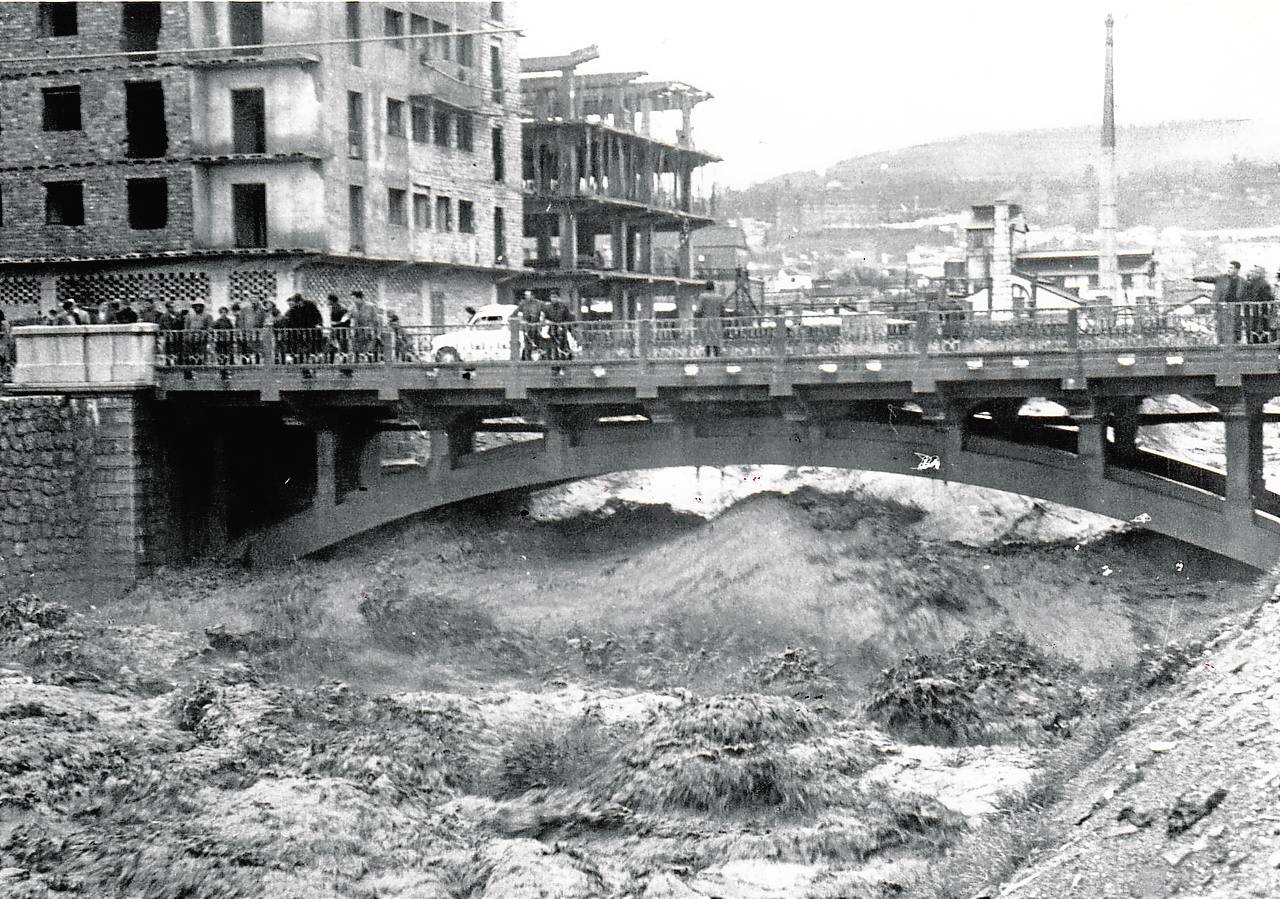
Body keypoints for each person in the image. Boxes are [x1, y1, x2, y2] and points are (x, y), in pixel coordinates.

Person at [1240, 265, 1276, 343]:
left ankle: (1259, 342)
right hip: (1253, 311)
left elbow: (1267, 298)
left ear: (1259, 274)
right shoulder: (1251, 283)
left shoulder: (1264, 284)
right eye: (1252, 271)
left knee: (1259, 328)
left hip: (1259, 312)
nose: (1252, 273)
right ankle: (1253, 341)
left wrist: (1264, 312)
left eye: (1254, 272)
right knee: (1252, 327)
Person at [349, 290, 380, 360]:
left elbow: (376, 320)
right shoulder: (352, 307)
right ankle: (357, 359)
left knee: (370, 347)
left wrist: (377, 332)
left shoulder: (371, 306)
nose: (353, 301)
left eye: (354, 299)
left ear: (360, 298)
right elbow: (349, 316)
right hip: (357, 330)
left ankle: (371, 360)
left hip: (368, 330)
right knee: (356, 346)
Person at [543, 291, 574, 360]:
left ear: (558, 298)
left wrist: (564, 325)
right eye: (552, 297)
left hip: (562, 329)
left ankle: (565, 358)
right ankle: (553, 361)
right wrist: (548, 321)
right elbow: (544, 318)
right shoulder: (547, 307)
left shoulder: (563, 307)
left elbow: (568, 318)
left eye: (555, 297)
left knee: (564, 344)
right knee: (552, 346)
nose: (553, 299)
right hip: (551, 329)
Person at [183, 300, 214, 364]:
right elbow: (186, 326)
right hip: (191, 335)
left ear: (202, 306)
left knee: (202, 349)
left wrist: (206, 332)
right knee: (191, 349)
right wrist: (186, 334)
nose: (197, 307)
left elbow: (210, 326)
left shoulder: (207, 315)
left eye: (199, 306)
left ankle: (202, 360)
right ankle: (192, 360)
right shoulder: (190, 315)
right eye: (196, 306)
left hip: (202, 335)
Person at [517, 291, 545, 360]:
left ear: (533, 295)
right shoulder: (522, 304)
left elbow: (543, 314)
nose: (526, 297)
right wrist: (522, 321)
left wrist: (540, 322)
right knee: (527, 343)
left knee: (539, 342)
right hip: (527, 327)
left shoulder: (540, 303)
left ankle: (540, 358)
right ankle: (527, 358)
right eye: (525, 295)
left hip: (537, 326)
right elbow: (519, 314)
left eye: (528, 295)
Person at [327, 293, 350, 361]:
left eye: (328, 300)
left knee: (343, 347)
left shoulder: (341, 309)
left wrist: (336, 323)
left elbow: (345, 320)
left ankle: (343, 362)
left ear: (332, 301)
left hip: (341, 331)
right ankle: (333, 360)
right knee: (333, 345)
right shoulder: (333, 308)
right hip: (336, 330)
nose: (327, 302)